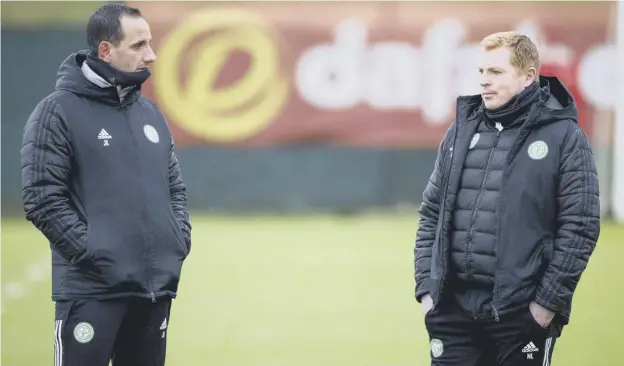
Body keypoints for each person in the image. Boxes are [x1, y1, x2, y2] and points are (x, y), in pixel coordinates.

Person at [414, 31, 600, 366]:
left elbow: (581, 225)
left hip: (521, 316)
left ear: (528, 77)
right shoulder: (460, 132)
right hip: (453, 315)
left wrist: (545, 306)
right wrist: (428, 291)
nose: (484, 81)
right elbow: (431, 213)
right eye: (481, 72)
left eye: (496, 72)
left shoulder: (565, 138)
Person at [20, 4, 191, 366]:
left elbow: (174, 187)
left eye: (151, 43)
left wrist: (177, 240)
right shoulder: (58, 111)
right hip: (91, 293)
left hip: (153, 290)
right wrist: (95, 254)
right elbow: (42, 198)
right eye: (139, 45)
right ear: (106, 51)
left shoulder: (151, 114)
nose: (152, 55)